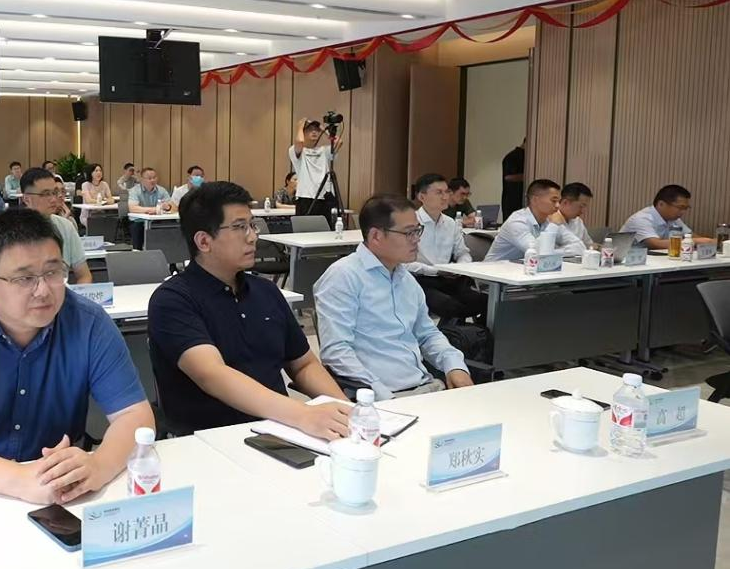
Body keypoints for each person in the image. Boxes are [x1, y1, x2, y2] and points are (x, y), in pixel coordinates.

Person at [0, 209, 153, 504]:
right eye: (24, 278)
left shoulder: (89, 324)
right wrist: (21, 479)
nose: (43, 290)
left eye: (53, 272)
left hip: (61, 488)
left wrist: (99, 465)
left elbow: (135, 416)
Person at [148, 182, 351, 436]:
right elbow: (213, 375)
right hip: (210, 439)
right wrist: (303, 414)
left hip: (278, 430)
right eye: (239, 227)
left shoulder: (266, 291)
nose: (253, 236)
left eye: (252, 225)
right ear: (204, 241)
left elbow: (303, 364)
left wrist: (348, 411)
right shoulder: (172, 300)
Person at [315, 195, 474, 400]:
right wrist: (383, 396)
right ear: (376, 236)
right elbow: (336, 351)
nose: (417, 239)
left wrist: (454, 366)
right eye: (409, 233)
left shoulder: (406, 279)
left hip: (423, 387)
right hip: (379, 396)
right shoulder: (343, 276)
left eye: (418, 230)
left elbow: (427, 334)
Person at [408, 173, 487, 322]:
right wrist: (435, 270)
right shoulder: (411, 222)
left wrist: (460, 267)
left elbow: (463, 253)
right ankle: (450, 332)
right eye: (439, 192)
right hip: (420, 279)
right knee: (449, 305)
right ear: (422, 197)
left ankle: (473, 335)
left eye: (447, 192)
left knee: (484, 301)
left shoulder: (451, 223)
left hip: (449, 278)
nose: (445, 197)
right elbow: (402, 263)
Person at [20, 167, 93, 284]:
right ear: (26, 199)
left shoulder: (65, 227)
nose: (54, 199)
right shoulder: (11, 232)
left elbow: (84, 276)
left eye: (54, 193)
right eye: (46, 194)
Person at [484, 179, 587, 261]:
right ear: (535, 200)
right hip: (492, 275)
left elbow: (580, 247)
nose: (557, 206)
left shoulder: (549, 219)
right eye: (554, 201)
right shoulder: (517, 222)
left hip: (524, 272)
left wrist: (552, 252)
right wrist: (554, 226)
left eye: (559, 201)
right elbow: (536, 252)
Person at [621, 184, 716, 249]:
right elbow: (656, 244)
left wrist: (711, 242)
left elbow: (691, 236)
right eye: (680, 207)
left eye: (685, 208)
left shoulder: (674, 219)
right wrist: (696, 241)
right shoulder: (641, 219)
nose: (683, 212)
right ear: (661, 204)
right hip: (629, 265)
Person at [289, 118, 341, 218]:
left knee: (325, 226)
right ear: (303, 132)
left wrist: (324, 130)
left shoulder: (324, 151)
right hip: (305, 197)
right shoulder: (296, 150)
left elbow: (339, 142)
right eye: (310, 129)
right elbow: (299, 141)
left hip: (324, 198)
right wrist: (300, 126)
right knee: (305, 227)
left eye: (316, 130)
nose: (314, 132)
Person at [127, 167, 175, 250]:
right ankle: (138, 252)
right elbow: (132, 208)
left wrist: (167, 207)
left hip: (157, 220)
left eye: (154, 177)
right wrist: (153, 210)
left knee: (171, 225)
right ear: (142, 179)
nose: (152, 180)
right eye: (149, 178)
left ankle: (169, 255)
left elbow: (172, 207)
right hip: (139, 221)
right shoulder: (134, 190)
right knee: (136, 227)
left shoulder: (162, 190)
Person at [549, 182, 593, 247]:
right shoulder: (549, 220)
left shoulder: (578, 221)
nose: (582, 211)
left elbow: (589, 245)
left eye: (584, 207)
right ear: (565, 202)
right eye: (581, 206)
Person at [501, 138, 525, 218]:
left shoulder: (526, 156)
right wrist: (527, 176)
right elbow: (507, 177)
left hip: (521, 198)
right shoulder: (512, 157)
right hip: (512, 200)